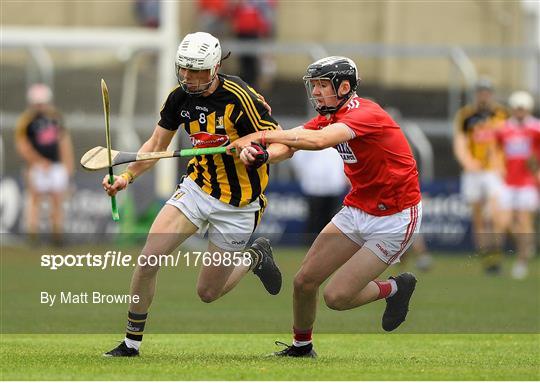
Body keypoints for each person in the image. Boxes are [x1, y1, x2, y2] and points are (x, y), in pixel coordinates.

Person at [102, 32, 291, 357]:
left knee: (207, 292)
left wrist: (261, 155)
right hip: (196, 190)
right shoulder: (179, 98)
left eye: (197, 71)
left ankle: (254, 257)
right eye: (183, 69)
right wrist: (128, 176)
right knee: (148, 259)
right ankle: (131, 344)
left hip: (238, 203)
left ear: (214, 67)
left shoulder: (241, 97)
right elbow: (156, 147)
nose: (188, 77)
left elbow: (285, 144)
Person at [227, 56, 422, 357]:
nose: (315, 92)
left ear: (344, 86)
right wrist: (262, 155)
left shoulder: (364, 113)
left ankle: (394, 289)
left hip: (394, 218)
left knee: (337, 297)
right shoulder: (330, 115)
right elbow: (290, 145)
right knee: (304, 281)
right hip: (358, 208)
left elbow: (317, 141)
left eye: (322, 85)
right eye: (313, 85)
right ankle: (301, 348)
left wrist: (260, 136)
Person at [453, 78, 508, 274]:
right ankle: (487, 259)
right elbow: (460, 142)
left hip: (494, 171)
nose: (483, 95)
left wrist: (501, 163)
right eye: (480, 91)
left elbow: (506, 141)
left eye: (487, 92)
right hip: (473, 172)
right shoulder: (466, 116)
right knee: (478, 217)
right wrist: (468, 162)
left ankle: (496, 252)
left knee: (495, 214)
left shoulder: (501, 114)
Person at [15, 83, 74, 245]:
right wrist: (38, 161)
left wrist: (68, 165)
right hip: (37, 168)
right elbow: (23, 145)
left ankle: (57, 237)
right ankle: (33, 238)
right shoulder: (26, 122)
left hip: (55, 167)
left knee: (57, 201)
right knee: (35, 201)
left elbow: (64, 142)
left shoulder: (56, 119)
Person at [494, 91, 540, 279]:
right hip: (508, 181)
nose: (520, 112)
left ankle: (521, 262)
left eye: (523, 109)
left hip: (527, 181)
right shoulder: (503, 129)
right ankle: (525, 248)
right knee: (502, 223)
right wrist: (498, 168)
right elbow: (495, 151)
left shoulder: (536, 128)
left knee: (524, 221)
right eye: (517, 108)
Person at [291, 148, 348, 244]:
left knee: (333, 219)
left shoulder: (338, 137)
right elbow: (298, 159)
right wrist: (307, 175)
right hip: (314, 185)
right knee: (315, 218)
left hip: (335, 185)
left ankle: (329, 245)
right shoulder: (310, 135)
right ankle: (311, 244)